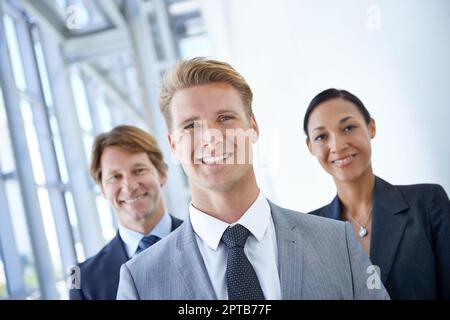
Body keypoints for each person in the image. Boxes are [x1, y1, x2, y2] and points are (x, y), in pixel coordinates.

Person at [116, 58, 389, 300]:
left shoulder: (336, 242)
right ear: (173, 145)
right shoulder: (140, 282)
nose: (211, 137)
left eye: (225, 118)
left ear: (253, 127)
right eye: (191, 126)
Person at [304, 88, 450, 300]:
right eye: (321, 136)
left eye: (348, 128)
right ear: (310, 147)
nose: (337, 146)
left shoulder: (427, 202)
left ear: (371, 126)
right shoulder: (308, 230)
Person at [69, 125, 183, 300]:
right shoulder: (82, 280)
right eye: (115, 177)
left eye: (139, 171)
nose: (129, 187)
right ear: (102, 189)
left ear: (162, 174)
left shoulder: (208, 242)